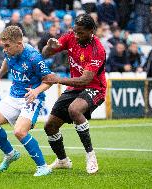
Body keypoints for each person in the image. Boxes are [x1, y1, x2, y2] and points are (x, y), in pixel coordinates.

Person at [0, 26, 53, 176]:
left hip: (31, 98)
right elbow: (7, 61)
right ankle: (10, 154)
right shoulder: (9, 51)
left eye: (7, 46)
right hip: (13, 96)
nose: (5, 49)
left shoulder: (34, 57)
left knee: (19, 131)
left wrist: (36, 91)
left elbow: (49, 80)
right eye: (4, 45)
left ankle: (43, 167)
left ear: (19, 44)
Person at [41, 13, 106, 174]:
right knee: (50, 126)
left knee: (74, 109)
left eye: (81, 32)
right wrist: (50, 46)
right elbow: (45, 53)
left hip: (95, 88)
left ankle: (91, 156)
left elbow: (85, 80)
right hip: (74, 87)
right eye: (75, 31)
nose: (76, 35)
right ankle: (62, 161)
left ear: (91, 31)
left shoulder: (98, 49)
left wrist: (58, 79)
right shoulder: (70, 36)